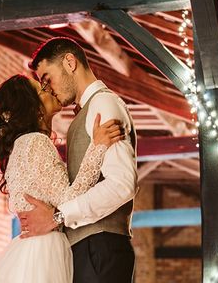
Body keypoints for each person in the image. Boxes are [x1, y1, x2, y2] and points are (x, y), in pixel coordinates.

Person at [19, 37, 138, 283]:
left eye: (48, 78)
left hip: (100, 248)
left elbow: (122, 184)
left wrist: (57, 217)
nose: (48, 88)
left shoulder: (103, 103)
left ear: (70, 62)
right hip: (89, 249)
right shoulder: (86, 111)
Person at [0, 74, 124, 283]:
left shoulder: (21, 146)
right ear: (34, 109)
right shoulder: (35, 143)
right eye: (41, 89)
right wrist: (98, 147)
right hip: (44, 251)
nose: (48, 88)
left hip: (29, 251)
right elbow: (69, 199)